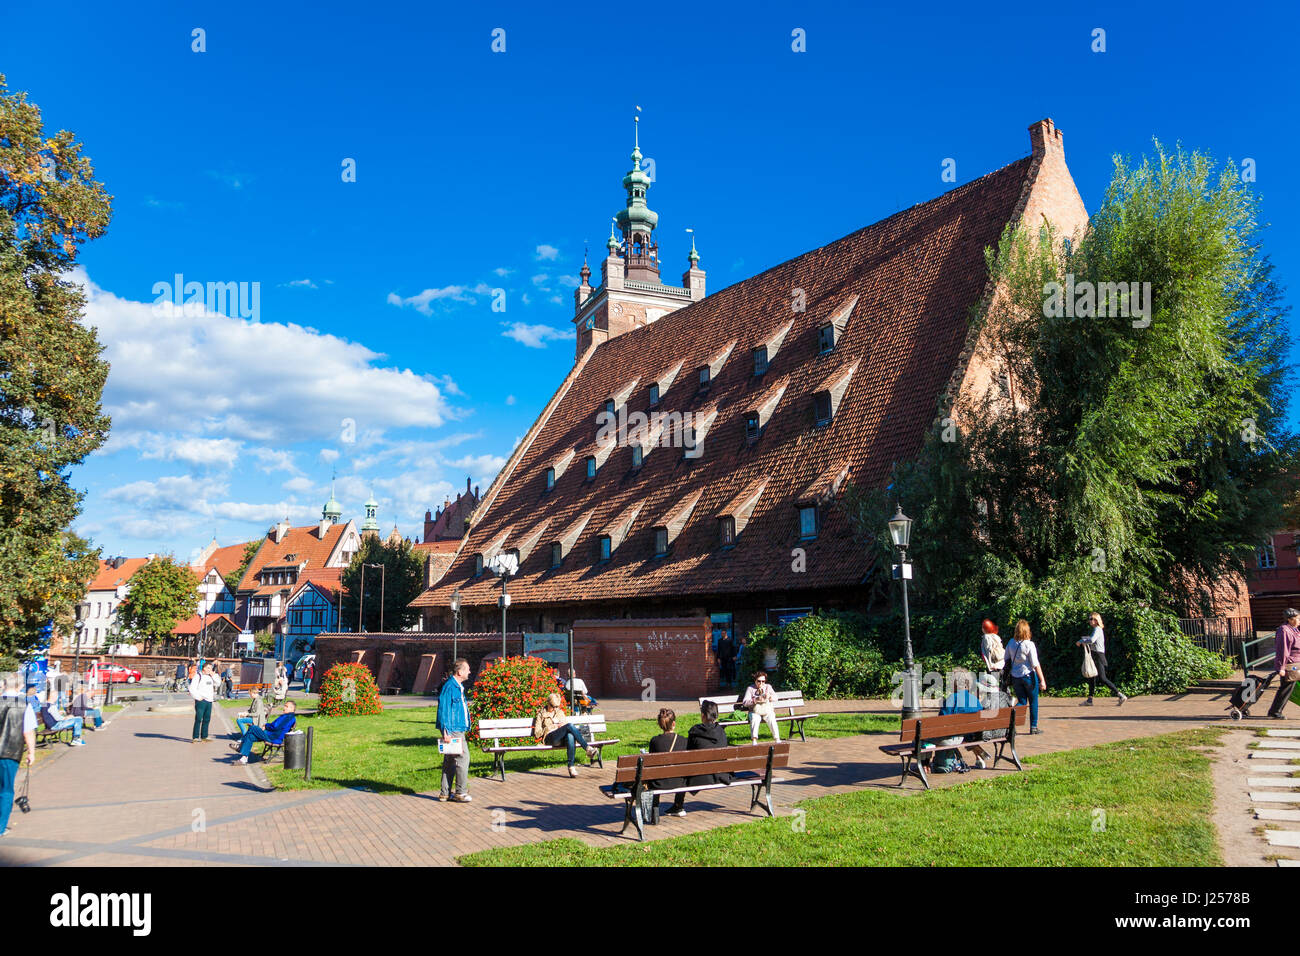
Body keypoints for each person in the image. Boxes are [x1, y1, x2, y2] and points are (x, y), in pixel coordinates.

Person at [0, 672, 37, 838]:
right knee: (6, 790)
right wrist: (31, 752)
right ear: (20, 686)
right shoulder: (24, 705)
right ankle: (0, 826)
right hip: (10, 751)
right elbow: (28, 732)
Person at [533, 692, 599, 777]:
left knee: (570, 735)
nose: (555, 709)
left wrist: (561, 726)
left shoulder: (559, 712)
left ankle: (571, 767)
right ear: (548, 703)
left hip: (561, 738)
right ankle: (587, 748)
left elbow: (566, 726)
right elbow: (537, 733)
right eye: (553, 706)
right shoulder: (541, 714)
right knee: (570, 726)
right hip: (550, 738)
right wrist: (552, 726)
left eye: (556, 706)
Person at [437, 659, 472, 802]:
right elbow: (443, 709)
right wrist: (446, 731)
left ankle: (445, 793)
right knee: (463, 758)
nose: (469, 672)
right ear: (460, 672)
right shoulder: (450, 687)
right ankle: (460, 792)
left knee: (450, 761)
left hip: (455, 728)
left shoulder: (456, 686)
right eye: (467, 669)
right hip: (453, 729)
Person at [1077, 612, 1126, 706]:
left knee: (1103, 678)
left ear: (1096, 620)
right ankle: (1089, 700)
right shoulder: (1096, 629)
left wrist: (1081, 641)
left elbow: (1092, 640)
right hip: (1095, 655)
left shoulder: (1097, 629)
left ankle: (1120, 695)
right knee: (1091, 677)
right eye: (1089, 619)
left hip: (1098, 655)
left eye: (1091, 619)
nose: (1090, 621)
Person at [647, 708, 690, 816]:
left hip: (658, 783)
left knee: (654, 774)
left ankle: (654, 808)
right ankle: (678, 805)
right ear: (674, 723)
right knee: (683, 772)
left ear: (660, 724)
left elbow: (651, 764)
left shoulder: (655, 741)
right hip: (680, 782)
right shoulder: (684, 740)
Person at [1008, 619, 1047, 734]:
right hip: (1028, 676)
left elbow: (1006, 658)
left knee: (1022, 701)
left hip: (1016, 677)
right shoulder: (1029, 644)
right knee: (1033, 701)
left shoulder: (1011, 642)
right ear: (1027, 631)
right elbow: (1035, 664)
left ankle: (1011, 722)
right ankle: (1033, 727)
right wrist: (1042, 680)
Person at [686, 698, 733, 791]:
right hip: (722, 774)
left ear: (702, 715)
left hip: (701, 776)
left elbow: (688, 754)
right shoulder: (721, 731)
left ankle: (678, 803)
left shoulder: (695, 731)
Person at [231, 701, 297, 764]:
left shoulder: (288, 717)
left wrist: (266, 726)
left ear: (292, 708)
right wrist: (266, 726)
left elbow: (275, 726)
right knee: (250, 736)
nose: (284, 707)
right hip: (271, 734)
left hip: (273, 737)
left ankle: (241, 746)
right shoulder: (287, 716)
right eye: (285, 706)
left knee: (253, 727)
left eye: (286, 706)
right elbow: (275, 725)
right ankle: (243, 759)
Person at [1267, 608, 1300, 720]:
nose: (1299, 620)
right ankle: (1275, 711)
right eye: (1298, 618)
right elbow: (1283, 650)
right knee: (1286, 688)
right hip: (1290, 665)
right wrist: (1281, 668)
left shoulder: (1295, 630)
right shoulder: (1284, 630)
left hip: (1297, 663)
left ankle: (1275, 711)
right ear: (1290, 619)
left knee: (1287, 688)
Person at [740, 670, 780, 744]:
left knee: (771, 718)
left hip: (767, 710)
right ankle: (754, 740)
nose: (761, 683)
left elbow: (776, 697)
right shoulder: (750, 688)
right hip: (755, 711)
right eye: (759, 681)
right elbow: (745, 702)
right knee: (755, 719)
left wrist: (770, 697)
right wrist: (756, 700)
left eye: (763, 681)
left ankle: (777, 739)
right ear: (755, 680)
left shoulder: (768, 687)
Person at [190, 662, 217, 743]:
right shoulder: (198, 676)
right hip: (201, 700)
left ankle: (204, 736)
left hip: (209, 700)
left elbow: (218, 683)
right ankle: (195, 737)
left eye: (211, 668)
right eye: (208, 668)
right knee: (198, 718)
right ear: (204, 668)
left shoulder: (211, 677)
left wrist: (214, 675)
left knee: (207, 719)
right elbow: (192, 688)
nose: (210, 670)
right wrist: (198, 697)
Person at [979, 619, 1005, 690]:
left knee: (993, 686)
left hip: (994, 666)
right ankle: (1008, 698)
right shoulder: (996, 636)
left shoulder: (986, 637)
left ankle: (999, 699)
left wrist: (991, 665)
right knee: (1002, 683)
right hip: (1001, 664)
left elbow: (989, 652)